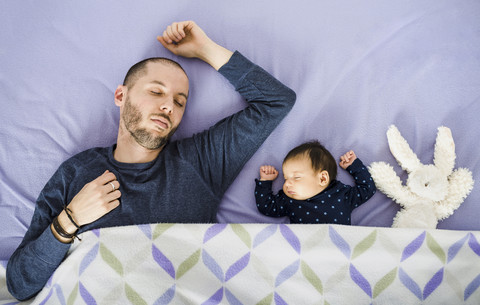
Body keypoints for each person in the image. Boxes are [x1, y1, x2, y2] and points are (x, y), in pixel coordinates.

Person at [7, 20, 295, 300]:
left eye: (180, 101)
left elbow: (276, 101)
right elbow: (20, 285)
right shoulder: (77, 173)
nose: (168, 105)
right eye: (156, 92)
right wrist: (69, 221)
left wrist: (205, 49)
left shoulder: (202, 161)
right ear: (121, 95)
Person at [255, 141, 375, 224]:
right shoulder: (289, 200)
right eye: (286, 178)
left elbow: (367, 189)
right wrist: (265, 181)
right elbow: (267, 207)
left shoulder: (342, 195)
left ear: (322, 179)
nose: (287, 184)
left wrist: (354, 166)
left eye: (296, 177)